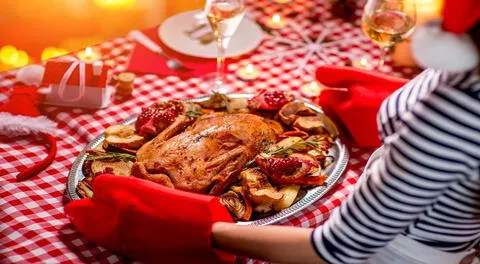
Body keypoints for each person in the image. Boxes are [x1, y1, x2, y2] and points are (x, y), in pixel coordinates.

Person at [65, 0, 480, 263]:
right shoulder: (463, 74)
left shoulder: (454, 117)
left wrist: (196, 229)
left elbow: (338, 250)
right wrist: (400, 104)